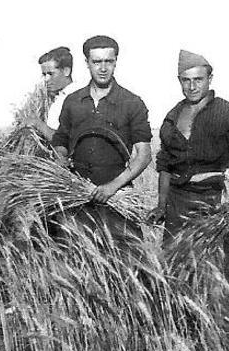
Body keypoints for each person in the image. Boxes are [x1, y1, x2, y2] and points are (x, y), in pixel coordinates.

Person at [151, 50, 229, 274]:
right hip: (177, 202)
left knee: (215, 270)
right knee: (174, 267)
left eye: (198, 79)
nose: (192, 86)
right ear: (179, 81)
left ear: (209, 79)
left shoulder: (228, 113)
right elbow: (165, 166)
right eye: (186, 81)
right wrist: (162, 204)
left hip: (213, 200)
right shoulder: (172, 116)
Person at [51, 35, 153, 247]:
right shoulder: (73, 101)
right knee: (75, 258)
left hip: (116, 199)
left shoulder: (132, 103)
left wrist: (111, 187)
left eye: (109, 61)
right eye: (97, 62)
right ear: (87, 63)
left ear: (116, 61)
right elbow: (61, 140)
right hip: (77, 198)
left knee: (123, 262)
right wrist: (61, 160)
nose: (103, 68)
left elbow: (143, 155)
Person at [27, 47, 81, 141]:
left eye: (51, 74)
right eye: (44, 75)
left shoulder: (77, 98)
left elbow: (67, 141)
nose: (46, 79)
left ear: (66, 71)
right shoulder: (60, 98)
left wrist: (38, 124)